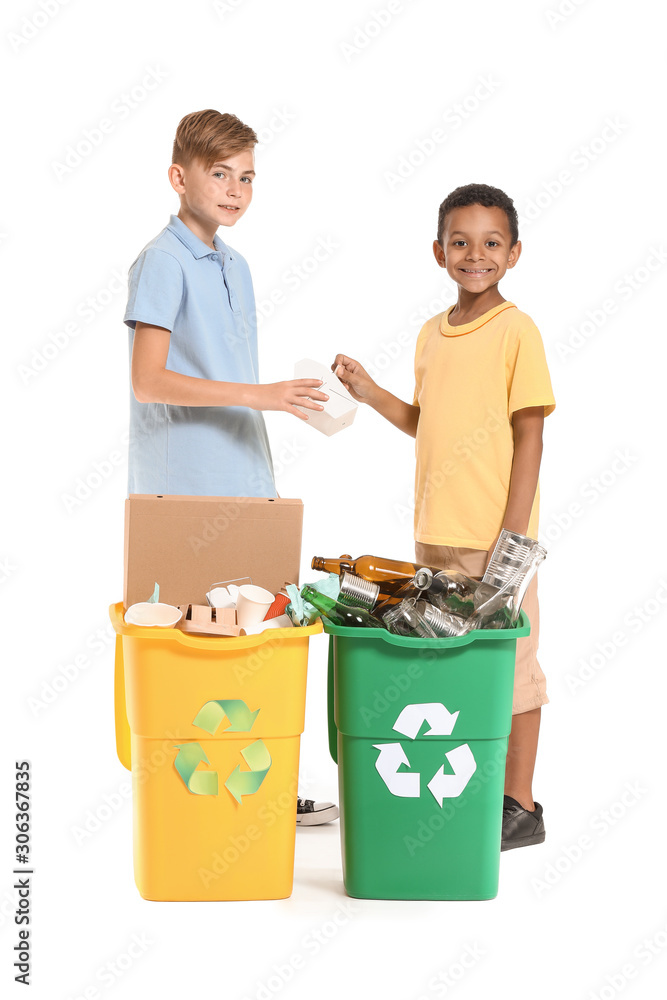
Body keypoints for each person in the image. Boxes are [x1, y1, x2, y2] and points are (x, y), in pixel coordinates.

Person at [123, 108, 338, 827]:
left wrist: (287, 403)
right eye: (220, 174)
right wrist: (264, 395)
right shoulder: (162, 260)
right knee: (193, 644)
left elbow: (222, 368)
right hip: (182, 488)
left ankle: (265, 787)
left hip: (244, 477)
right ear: (179, 176)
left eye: (246, 177)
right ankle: (191, 801)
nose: (236, 190)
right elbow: (148, 380)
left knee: (257, 638)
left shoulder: (236, 266)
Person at [332, 183, 555, 851]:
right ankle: (460, 789)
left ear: (514, 253)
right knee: (450, 667)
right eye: (460, 242)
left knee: (510, 665)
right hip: (435, 536)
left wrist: (508, 544)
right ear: (438, 251)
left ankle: (519, 805)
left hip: (494, 541)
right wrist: (369, 392)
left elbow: (530, 435)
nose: (474, 255)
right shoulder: (430, 334)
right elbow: (426, 424)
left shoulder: (516, 330)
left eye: (491, 243)